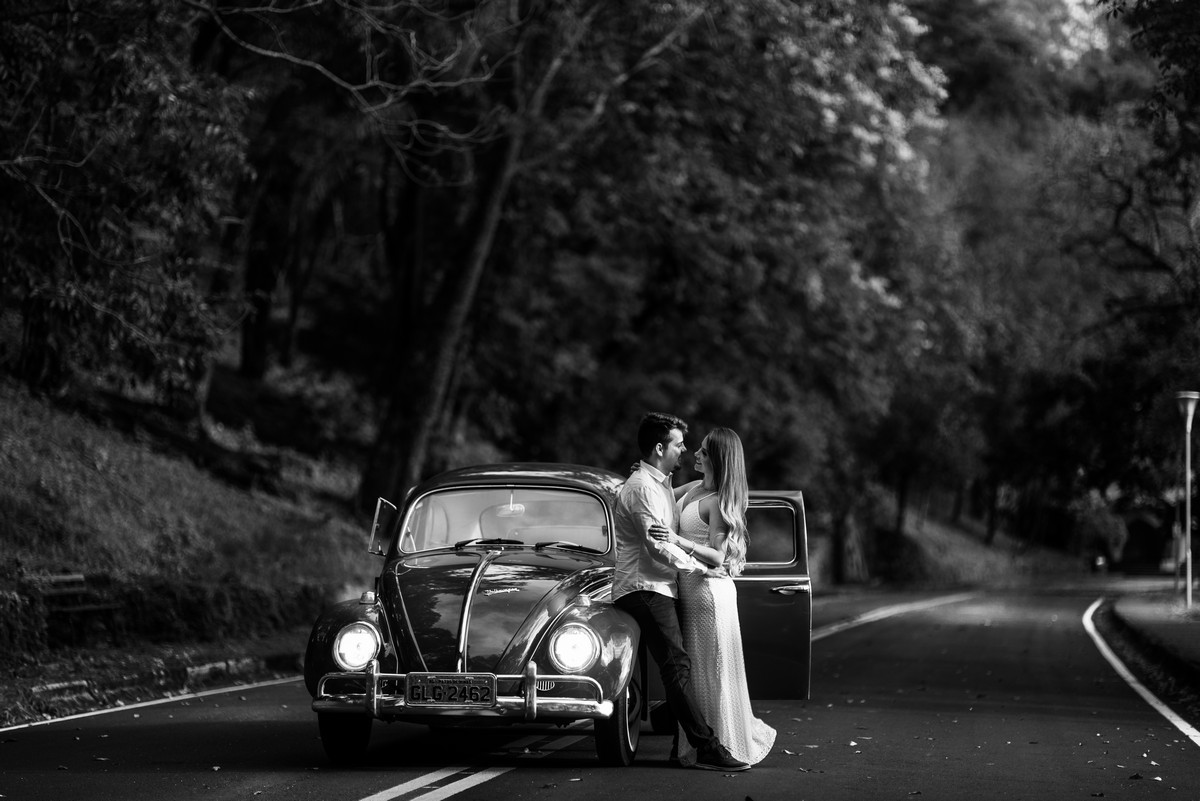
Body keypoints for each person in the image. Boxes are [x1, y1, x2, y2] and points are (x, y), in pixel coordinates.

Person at [611, 412, 750, 772]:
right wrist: (699, 568)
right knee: (679, 667)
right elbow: (657, 546)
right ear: (660, 448)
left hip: (668, 586)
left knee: (684, 667)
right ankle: (705, 746)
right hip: (647, 586)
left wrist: (641, 475)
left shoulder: (659, 484)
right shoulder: (645, 486)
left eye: (698, 449)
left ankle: (686, 742)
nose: (687, 451)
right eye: (680, 444)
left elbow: (666, 521)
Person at [650, 427, 776, 767]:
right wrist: (645, 472)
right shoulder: (692, 489)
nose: (696, 454)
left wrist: (678, 540)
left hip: (708, 595)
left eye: (704, 451)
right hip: (688, 592)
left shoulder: (719, 500)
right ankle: (697, 744)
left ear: (717, 459)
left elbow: (718, 556)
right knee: (695, 670)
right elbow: (656, 495)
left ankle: (723, 744)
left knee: (713, 670)